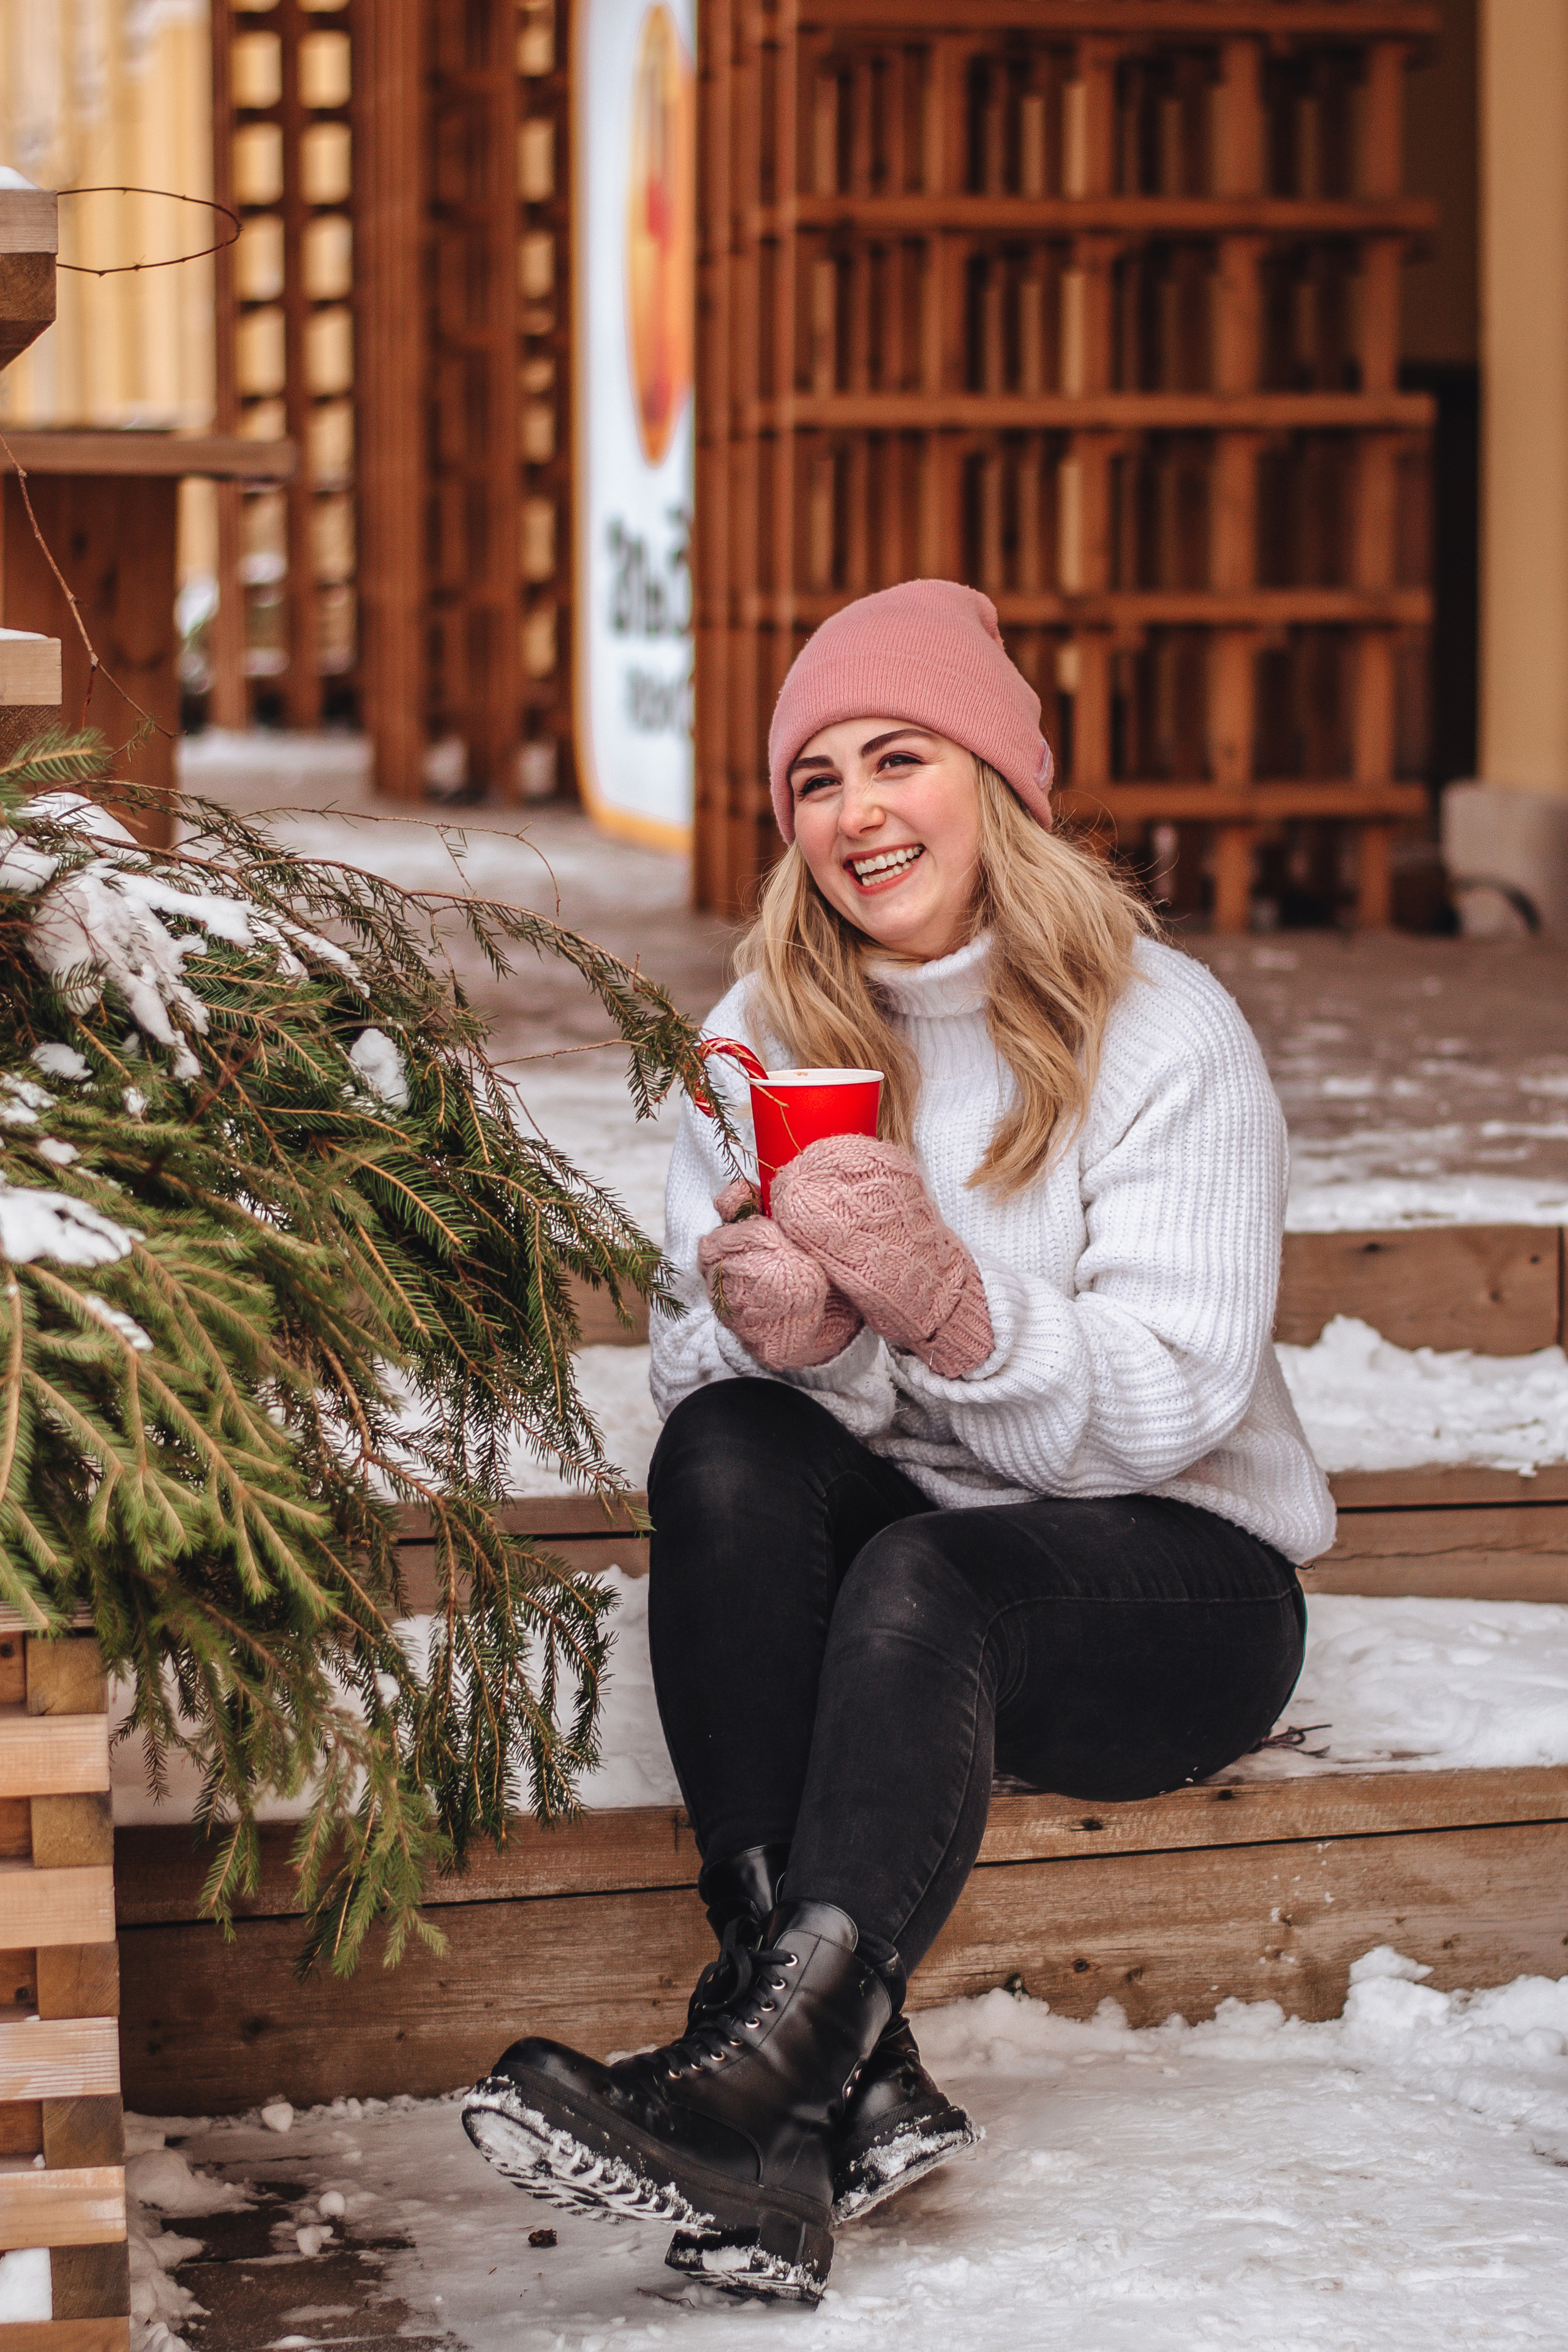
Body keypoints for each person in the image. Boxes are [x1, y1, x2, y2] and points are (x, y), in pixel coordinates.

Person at [462, 579, 1336, 2305]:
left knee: (932, 1568)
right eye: (816, 779)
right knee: (725, 1445)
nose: (859, 812)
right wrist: (799, 1334)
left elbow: (1170, 1403)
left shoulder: (1164, 1033)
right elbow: (695, 1362)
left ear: (1001, 781)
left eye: (901, 757)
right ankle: (804, 2097)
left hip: (1178, 1584)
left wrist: (943, 1302)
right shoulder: (757, 1040)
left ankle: (764, 2078)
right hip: (903, 1571)